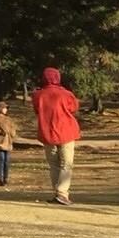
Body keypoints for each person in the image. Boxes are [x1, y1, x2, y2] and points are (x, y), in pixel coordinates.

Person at [31, 67, 80, 206]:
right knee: (66, 164)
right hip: (66, 132)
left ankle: (58, 192)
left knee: (54, 165)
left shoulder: (37, 95)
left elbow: (36, 110)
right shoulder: (66, 94)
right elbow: (73, 108)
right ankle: (62, 193)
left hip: (48, 133)